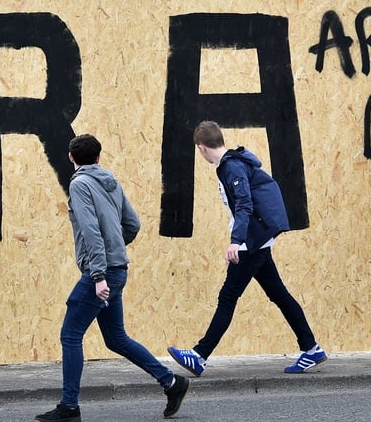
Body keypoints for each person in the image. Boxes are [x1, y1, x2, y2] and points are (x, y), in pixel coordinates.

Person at [35, 134, 189, 422]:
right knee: (116, 338)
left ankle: (69, 407)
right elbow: (133, 224)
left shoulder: (79, 185)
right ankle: (171, 382)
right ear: (98, 157)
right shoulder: (111, 181)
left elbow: (91, 230)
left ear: (71, 158)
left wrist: (98, 273)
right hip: (116, 270)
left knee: (70, 335)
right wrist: (116, 250)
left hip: (102, 274)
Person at [168, 121, 326, 376]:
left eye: (199, 151)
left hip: (250, 242)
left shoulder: (232, 167)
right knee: (279, 295)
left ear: (202, 148)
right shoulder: (232, 163)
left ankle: (199, 355)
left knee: (228, 296)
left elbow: (244, 204)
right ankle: (311, 348)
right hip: (257, 239)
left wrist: (236, 241)